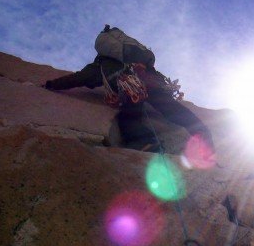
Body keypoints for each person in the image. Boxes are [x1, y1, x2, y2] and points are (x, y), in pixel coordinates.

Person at [44, 26, 214, 159]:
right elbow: (157, 76)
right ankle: (204, 138)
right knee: (175, 111)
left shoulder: (101, 65)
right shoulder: (139, 60)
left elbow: (78, 78)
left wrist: (51, 84)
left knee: (128, 117)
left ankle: (147, 143)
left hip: (131, 89)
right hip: (153, 84)